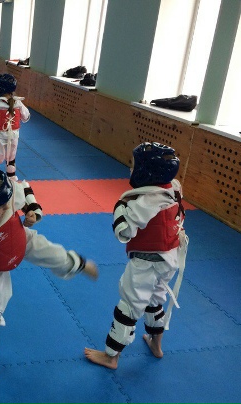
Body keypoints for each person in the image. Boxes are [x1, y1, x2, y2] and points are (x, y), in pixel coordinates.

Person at [0, 165, 99, 370]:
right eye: (1, 206)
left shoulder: (6, 197)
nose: (8, 206)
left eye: (8, 201)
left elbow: (24, 190)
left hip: (23, 239)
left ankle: (80, 265)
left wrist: (32, 211)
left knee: (56, 255)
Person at [84, 142, 188, 370]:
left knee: (129, 305)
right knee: (155, 300)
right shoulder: (173, 187)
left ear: (146, 173)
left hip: (147, 263)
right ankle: (156, 345)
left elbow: (124, 232)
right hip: (170, 258)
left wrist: (120, 208)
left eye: (134, 165)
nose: (130, 169)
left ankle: (111, 356)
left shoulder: (146, 201)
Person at [0, 74, 30, 180]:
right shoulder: (18, 103)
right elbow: (26, 117)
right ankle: (12, 180)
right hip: (14, 137)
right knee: (11, 159)